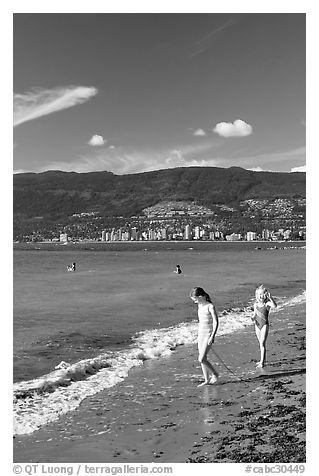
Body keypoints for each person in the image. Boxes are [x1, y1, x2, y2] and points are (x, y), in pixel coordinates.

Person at [190, 287, 219, 386]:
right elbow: (201, 321)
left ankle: (215, 374)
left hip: (208, 334)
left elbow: (216, 322)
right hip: (200, 334)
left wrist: (212, 336)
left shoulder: (210, 306)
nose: (194, 301)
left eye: (195, 299)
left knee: (201, 358)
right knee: (202, 358)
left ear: (200, 296)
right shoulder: (199, 306)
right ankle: (206, 380)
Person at [252, 284, 277, 368]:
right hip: (257, 325)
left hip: (264, 325)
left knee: (262, 343)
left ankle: (262, 362)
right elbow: (255, 314)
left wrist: (271, 298)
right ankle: (262, 359)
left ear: (265, 295)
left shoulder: (267, 304)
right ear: (256, 296)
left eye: (262, 294)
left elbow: (275, 306)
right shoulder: (255, 305)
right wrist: (252, 317)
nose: (261, 296)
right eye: (259, 294)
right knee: (260, 343)